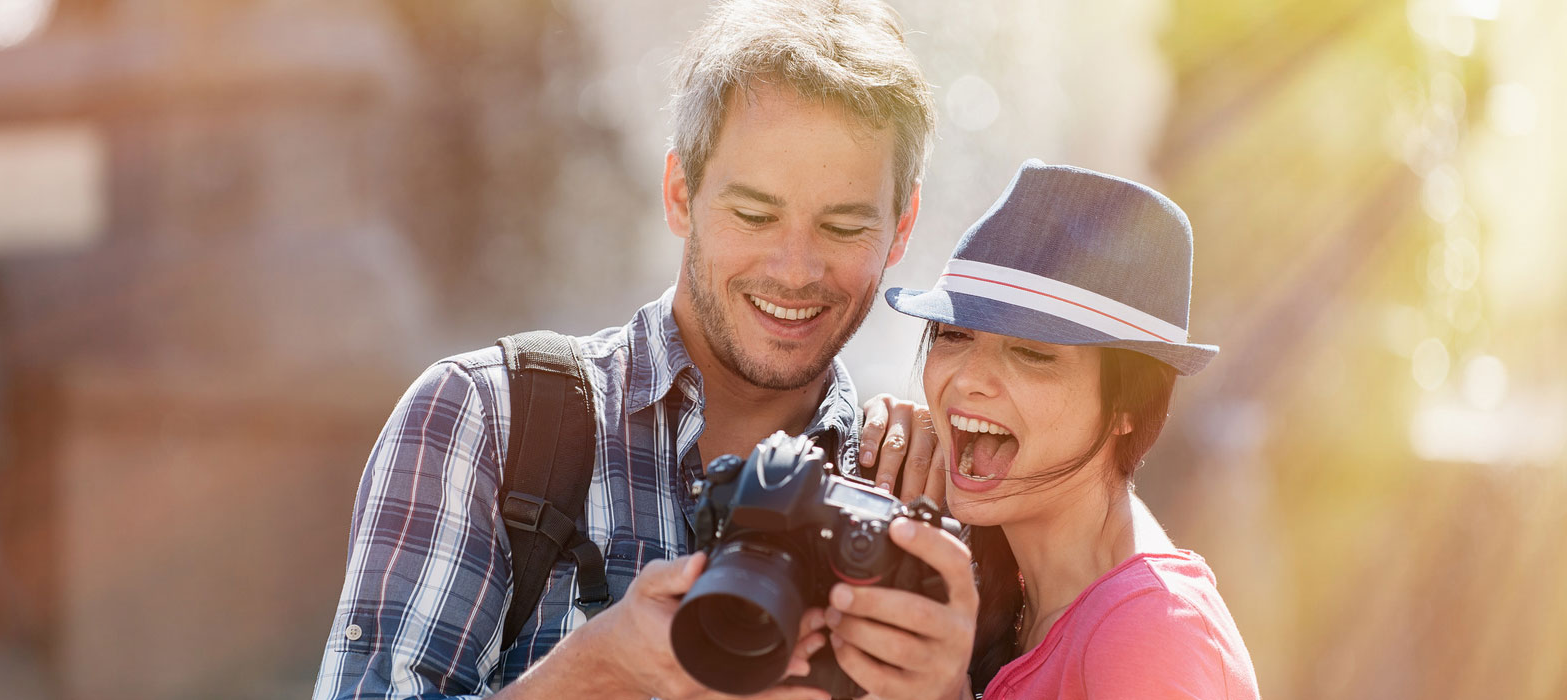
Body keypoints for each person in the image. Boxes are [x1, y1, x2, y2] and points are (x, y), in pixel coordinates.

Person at [311, 1, 949, 698]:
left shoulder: (911, 490)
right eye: (755, 215)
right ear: (680, 194)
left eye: (843, 226)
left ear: (903, 224)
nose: (796, 270)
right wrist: (595, 672)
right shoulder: (485, 418)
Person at [821, 160, 1261, 699]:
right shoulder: (997, 578)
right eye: (955, 335)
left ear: (1129, 405)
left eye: (1031, 353)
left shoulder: (1156, 632)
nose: (968, 381)